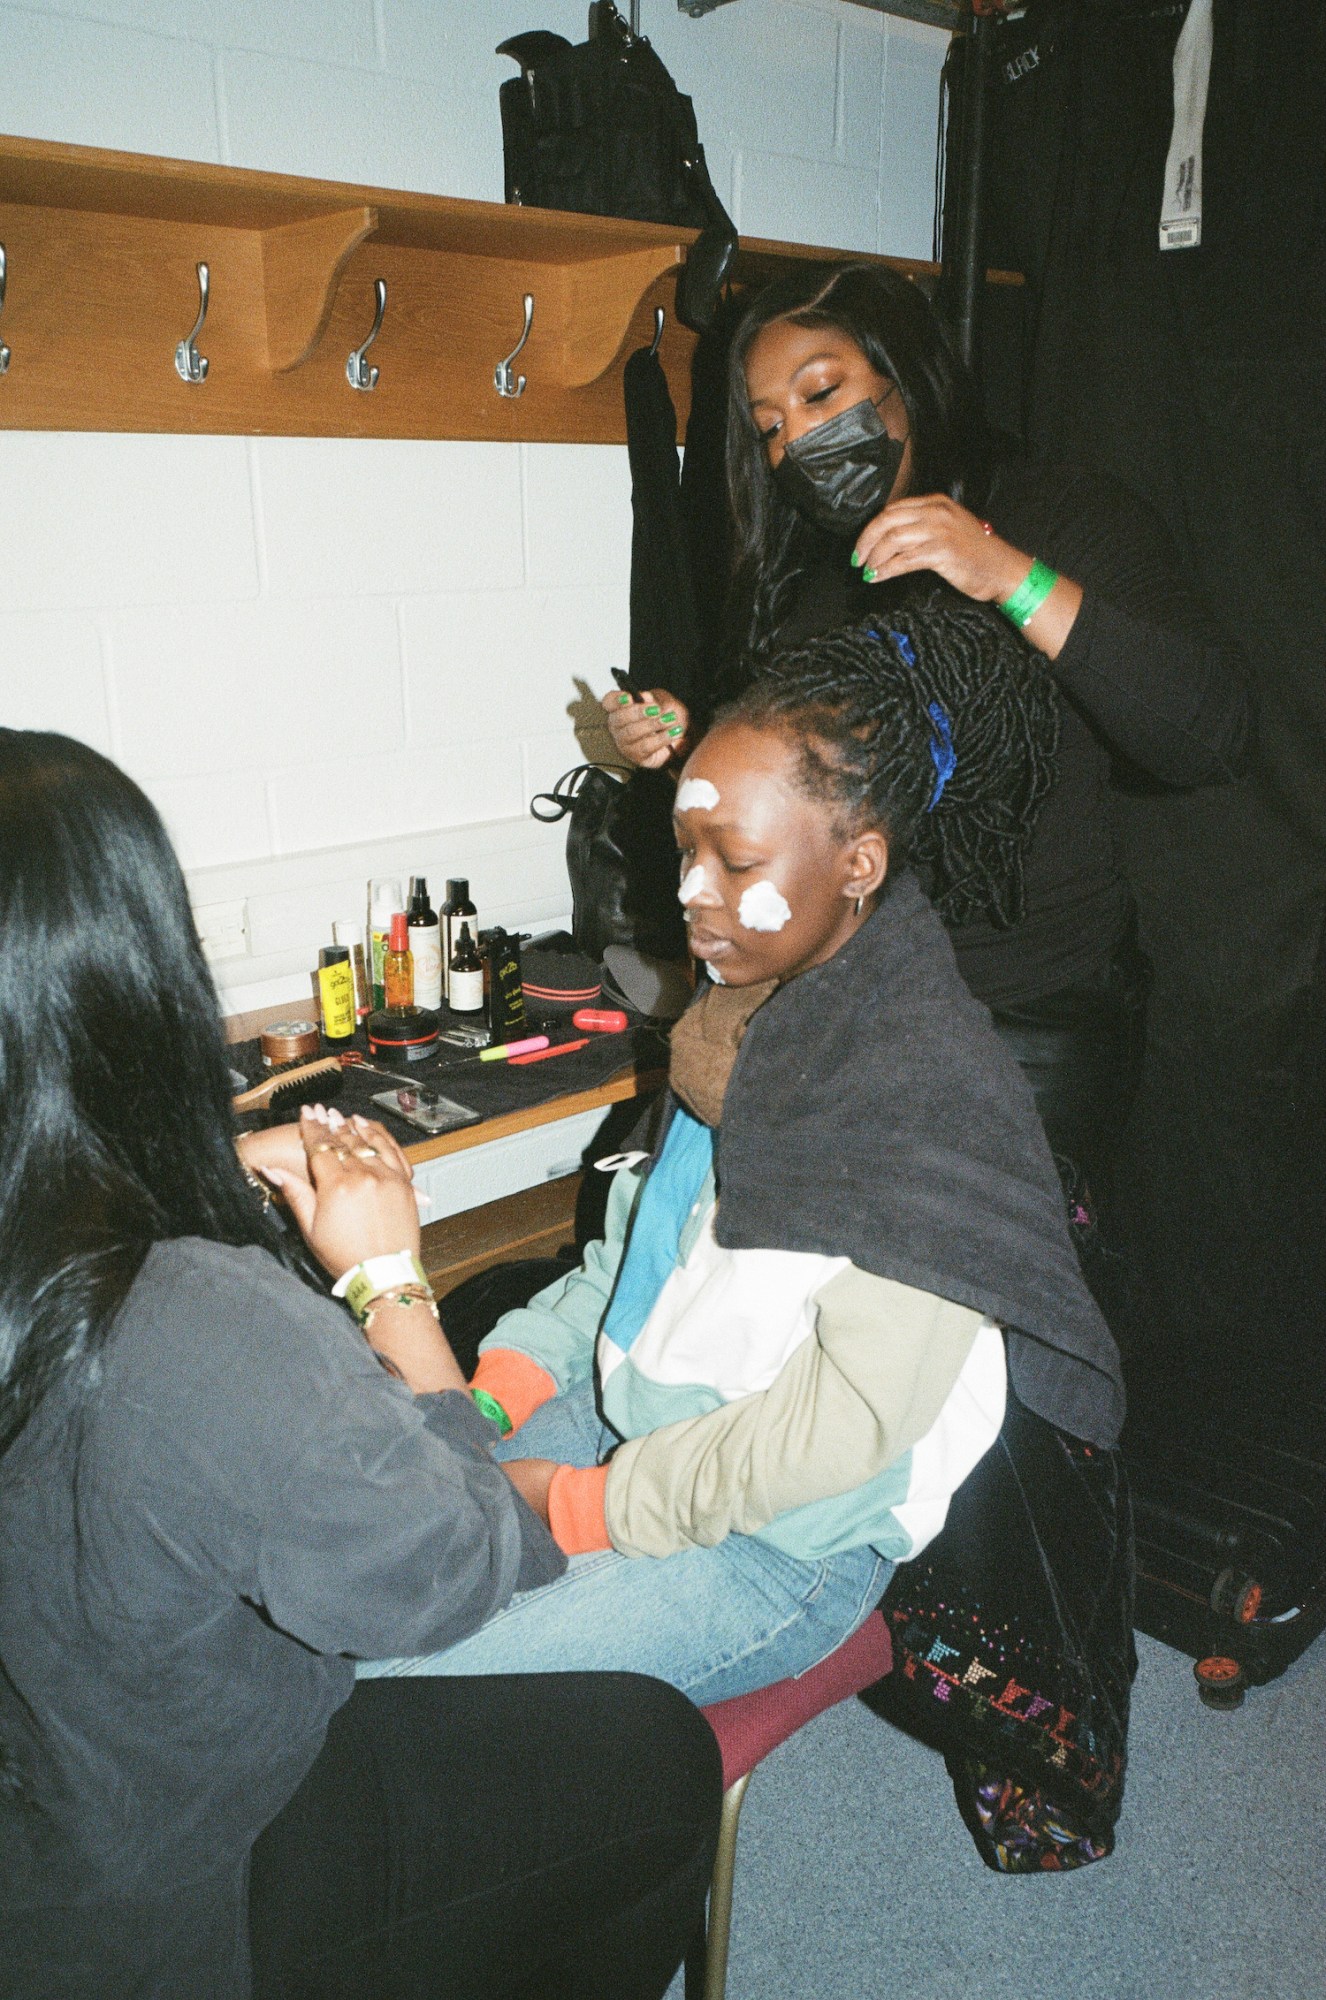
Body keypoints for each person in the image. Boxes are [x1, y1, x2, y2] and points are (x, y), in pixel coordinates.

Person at [0, 730, 720, 2000]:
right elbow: (450, 1570)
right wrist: (392, 1287)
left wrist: (185, 1178)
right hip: (163, 1907)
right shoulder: (193, 1333)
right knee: (655, 1756)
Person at [357, 612, 1125, 1701]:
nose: (690, 893)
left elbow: (835, 1433)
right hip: (641, 1418)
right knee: (347, 1574)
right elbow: (628, 1266)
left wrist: (581, 1508)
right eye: (686, 851)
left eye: (737, 860)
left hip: (776, 1543)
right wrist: (493, 1398)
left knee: (389, 1674)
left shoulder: (925, 1101)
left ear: (859, 861)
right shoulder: (737, 1018)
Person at [601, 262, 1250, 1280]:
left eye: (821, 394)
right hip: (850, 1023)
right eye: (770, 426)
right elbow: (813, 793)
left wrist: (1005, 574)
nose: (798, 441)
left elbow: (1206, 729)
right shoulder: (807, 576)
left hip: (1025, 1031)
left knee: (988, 1354)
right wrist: (689, 743)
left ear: (907, 372)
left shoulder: (1063, 513)